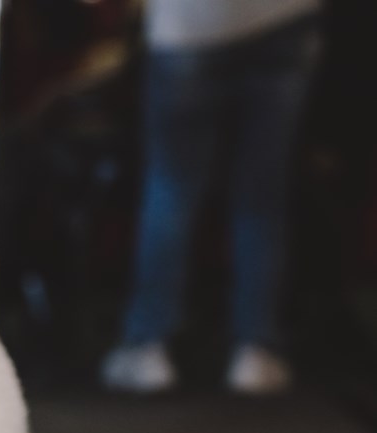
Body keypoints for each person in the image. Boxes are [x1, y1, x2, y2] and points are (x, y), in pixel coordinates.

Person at [102, 0, 322, 394]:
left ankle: (149, 345)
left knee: (172, 187)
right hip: (285, 16)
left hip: (190, 22)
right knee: (262, 194)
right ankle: (257, 349)